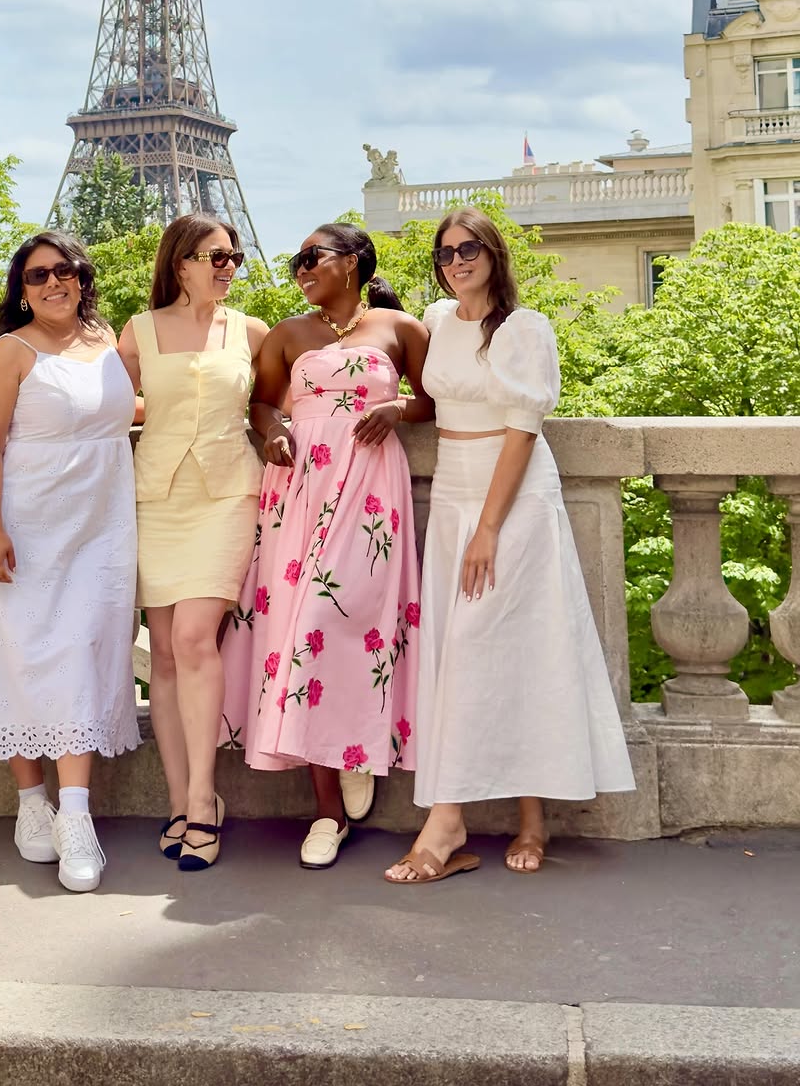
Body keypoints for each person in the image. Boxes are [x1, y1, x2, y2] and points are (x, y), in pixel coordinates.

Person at [385, 207, 635, 887]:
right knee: (461, 650)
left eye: (469, 249)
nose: (456, 262)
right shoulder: (437, 320)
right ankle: (482, 818)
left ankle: (487, 820)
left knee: (513, 646)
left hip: (513, 497)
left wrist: (490, 526)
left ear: (494, 254)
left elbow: (523, 429)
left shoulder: (525, 328)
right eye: (444, 253)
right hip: (453, 492)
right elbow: (423, 394)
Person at [0, 232, 139, 894]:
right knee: (19, 655)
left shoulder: (107, 342)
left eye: (64, 269)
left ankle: (75, 816)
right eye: (38, 274)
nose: (53, 282)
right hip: (26, 524)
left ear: (82, 277)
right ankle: (33, 802)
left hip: (99, 526)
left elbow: (118, 412)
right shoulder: (12, 351)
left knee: (80, 652)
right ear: (22, 289)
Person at [222, 225, 429, 870]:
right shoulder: (288, 333)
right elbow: (260, 405)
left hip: (370, 485)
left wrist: (397, 408)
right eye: (297, 260)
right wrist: (272, 434)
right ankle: (327, 810)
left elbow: (434, 401)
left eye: (313, 257)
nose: (302, 269)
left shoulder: (401, 328)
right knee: (303, 628)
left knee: (355, 621)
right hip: (302, 486)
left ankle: (354, 750)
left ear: (354, 262)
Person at [117, 217, 267, 872]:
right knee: (166, 657)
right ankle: (179, 801)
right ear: (180, 263)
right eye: (216, 257)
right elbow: (105, 407)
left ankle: (205, 800)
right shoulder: (138, 332)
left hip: (228, 495)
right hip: (156, 498)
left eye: (234, 256)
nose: (229, 266)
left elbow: (277, 405)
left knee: (194, 637)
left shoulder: (252, 332)